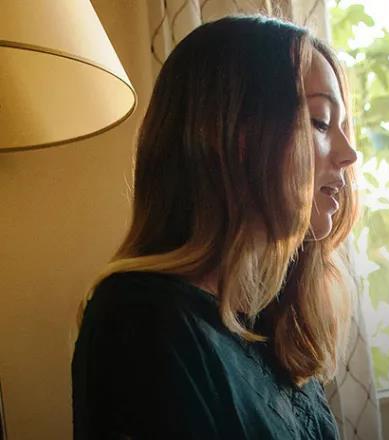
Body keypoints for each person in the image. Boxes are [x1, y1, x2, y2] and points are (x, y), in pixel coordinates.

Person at [72, 15, 358, 440]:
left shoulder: (268, 319)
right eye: (319, 121)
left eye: (342, 127)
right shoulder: (140, 321)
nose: (349, 154)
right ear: (234, 135)